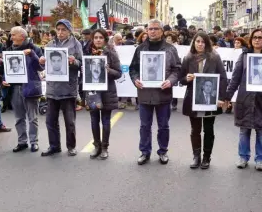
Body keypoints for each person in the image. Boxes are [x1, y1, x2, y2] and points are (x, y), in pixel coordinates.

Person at [225, 29, 262, 171]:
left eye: (260, 38)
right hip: (245, 99)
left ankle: (260, 159)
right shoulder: (244, 56)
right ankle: (243, 157)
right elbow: (235, 79)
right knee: (244, 130)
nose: (257, 40)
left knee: (261, 131)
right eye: (254, 37)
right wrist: (226, 97)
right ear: (250, 40)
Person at [129, 19, 181, 165]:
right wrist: (136, 80)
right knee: (145, 126)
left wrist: (170, 81)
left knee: (163, 126)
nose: (152, 31)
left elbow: (177, 69)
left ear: (162, 31)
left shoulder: (170, 49)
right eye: (150, 29)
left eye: (156, 29)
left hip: (163, 94)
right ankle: (144, 152)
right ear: (147, 31)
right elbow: (133, 69)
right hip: (145, 94)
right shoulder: (140, 49)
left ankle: (163, 151)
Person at [180, 32, 227, 169]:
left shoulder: (214, 58)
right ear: (194, 42)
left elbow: (223, 78)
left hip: (210, 100)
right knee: (195, 129)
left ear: (207, 44)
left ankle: (206, 157)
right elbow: (181, 78)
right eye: (198, 41)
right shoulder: (188, 58)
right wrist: (186, 79)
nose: (200, 44)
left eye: (203, 42)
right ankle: (196, 157)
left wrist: (220, 98)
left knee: (208, 129)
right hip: (193, 99)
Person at [39, 19, 83, 157]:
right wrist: (42, 61)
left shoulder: (76, 44)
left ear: (69, 31)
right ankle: (54, 146)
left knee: (69, 122)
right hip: (52, 89)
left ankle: (71, 146)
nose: (60, 32)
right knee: (50, 121)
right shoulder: (51, 44)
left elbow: (81, 63)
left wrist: (73, 61)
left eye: (63, 29)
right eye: (58, 29)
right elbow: (45, 65)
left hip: (68, 89)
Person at [83, 28, 122, 159]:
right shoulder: (87, 51)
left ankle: (105, 147)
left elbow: (119, 73)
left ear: (105, 39)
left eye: (100, 37)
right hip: (92, 91)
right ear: (92, 39)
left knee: (105, 120)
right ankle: (97, 146)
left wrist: (108, 70)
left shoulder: (111, 52)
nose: (98, 40)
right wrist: (83, 70)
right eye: (95, 38)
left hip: (107, 92)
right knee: (94, 120)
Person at [4, 27, 44, 153]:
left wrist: (32, 54)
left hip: (30, 87)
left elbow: (41, 66)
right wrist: (5, 79)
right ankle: (22, 142)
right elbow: (7, 68)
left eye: (13, 35)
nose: (11, 38)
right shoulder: (10, 50)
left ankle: (34, 142)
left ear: (22, 36)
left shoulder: (35, 48)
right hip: (15, 87)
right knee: (19, 118)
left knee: (32, 117)